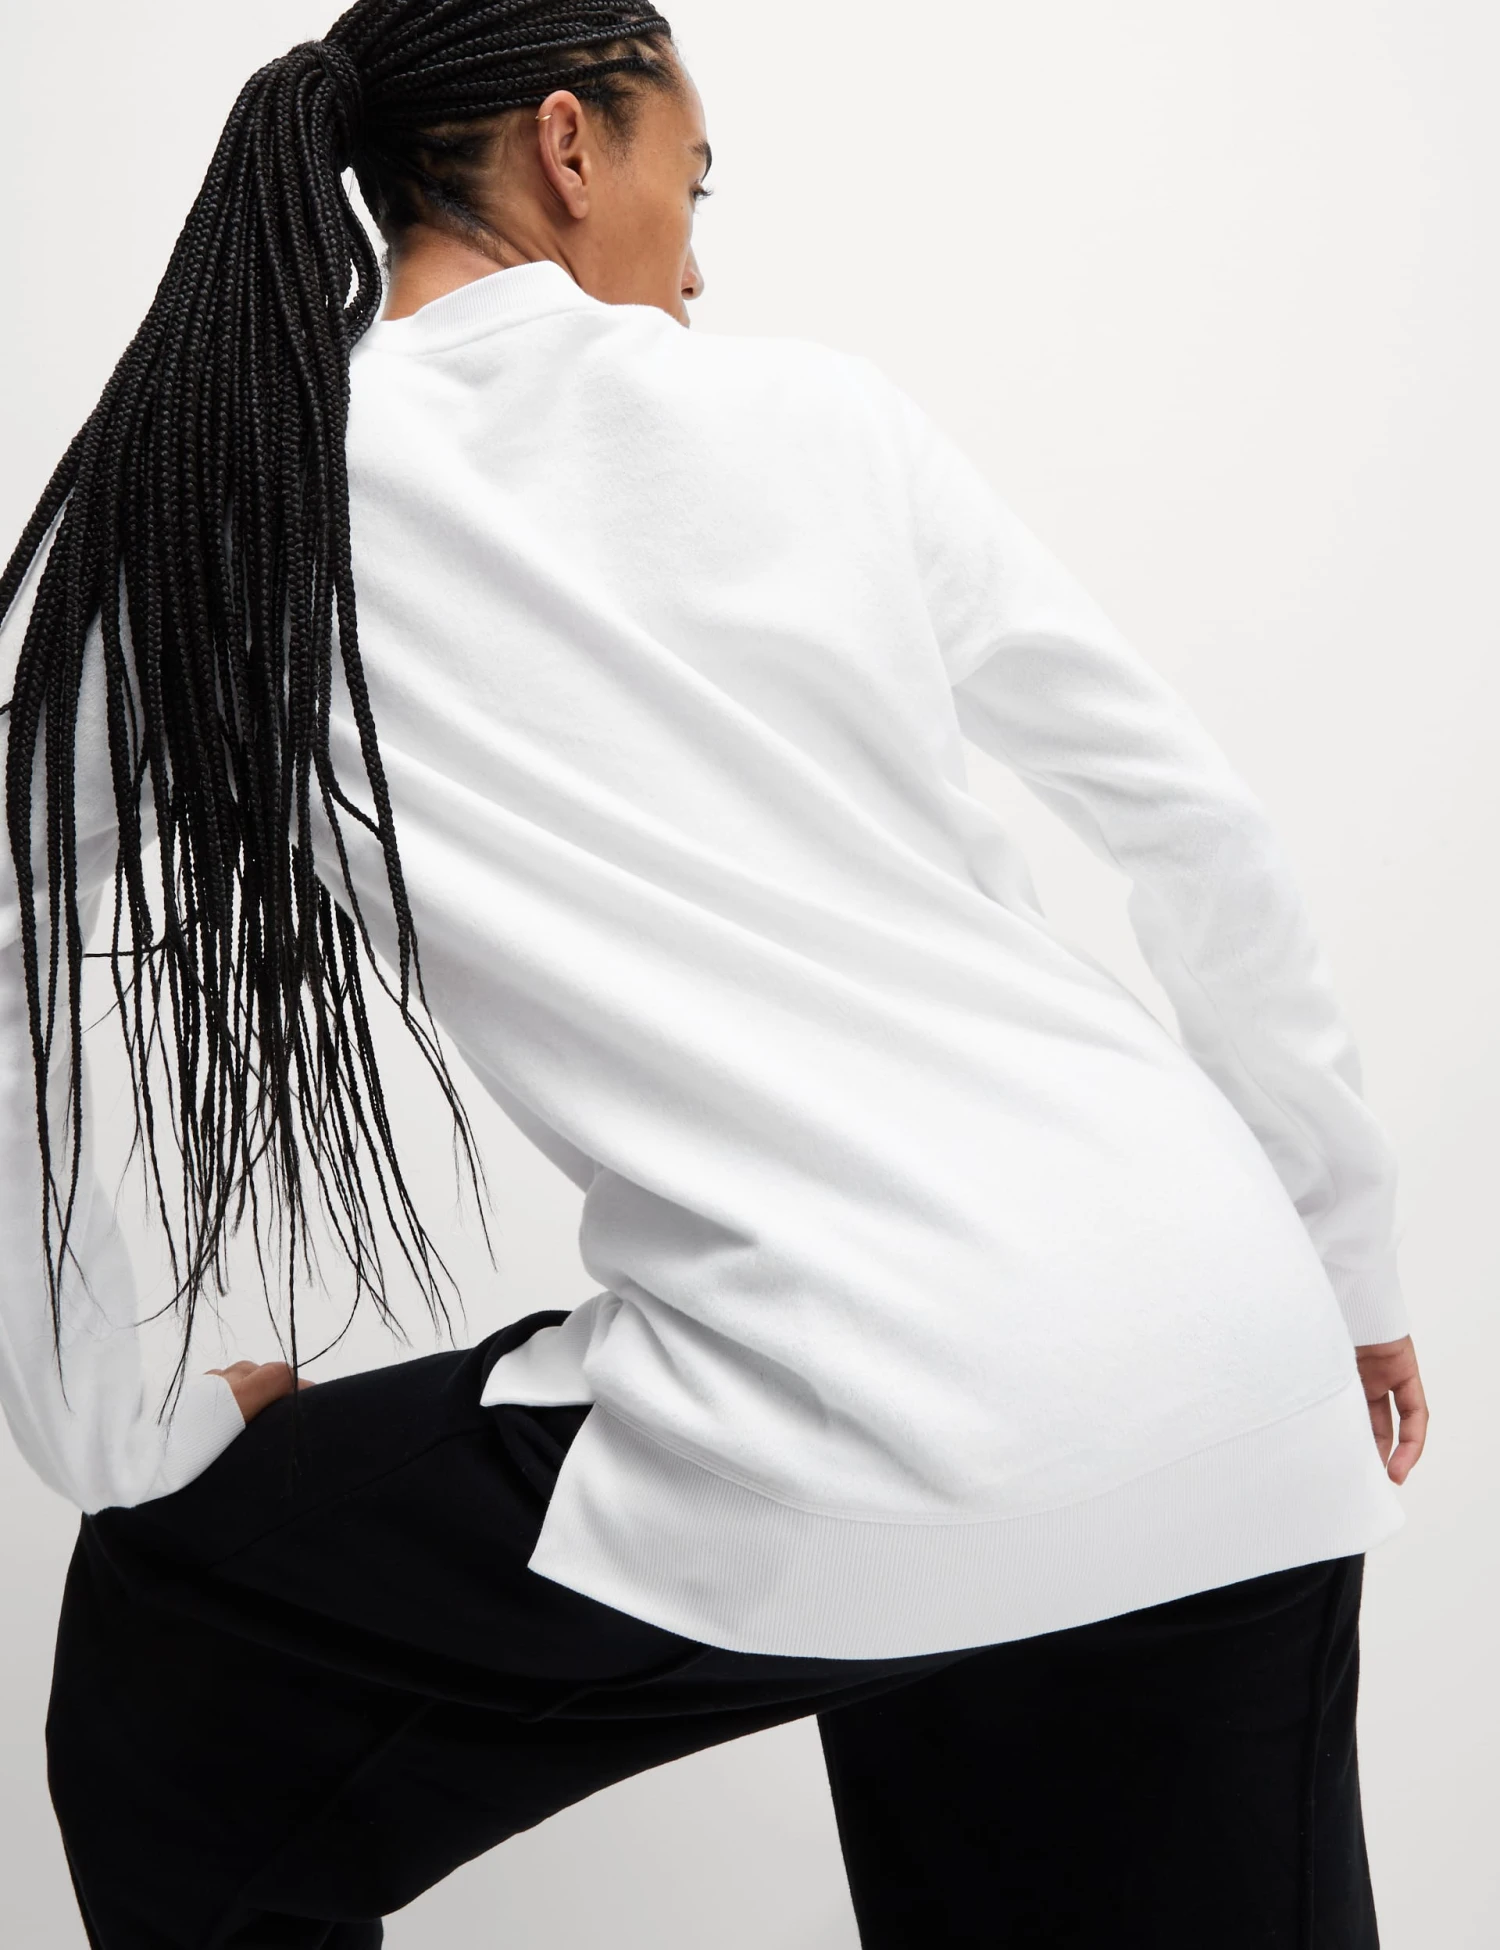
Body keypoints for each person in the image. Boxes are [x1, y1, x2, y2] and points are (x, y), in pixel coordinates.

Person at [0, 5, 1429, 1945]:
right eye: (696, 178)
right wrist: (1343, 1263)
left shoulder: (239, 503)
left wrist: (119, 1415)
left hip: (869, 1408)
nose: (698, 255)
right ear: (567, 145)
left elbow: (18, 910)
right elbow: (1191, 822)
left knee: (177, 1659)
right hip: (1223, 1352)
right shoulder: (825, 418)